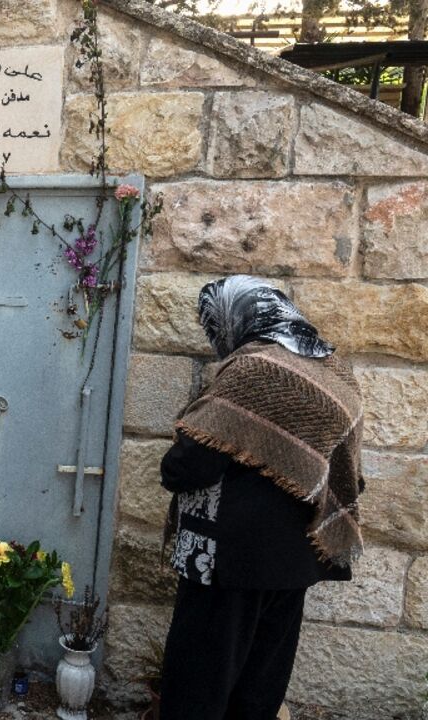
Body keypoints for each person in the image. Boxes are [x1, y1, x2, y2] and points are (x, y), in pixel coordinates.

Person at [158, 275, 364, 719]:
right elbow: (347, 475)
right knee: (258, 691)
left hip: (226, 562)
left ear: (238, 318)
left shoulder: (253, 369)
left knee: (197, 687)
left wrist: (172, 463)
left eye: (214, 324)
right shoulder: (335, 370)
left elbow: (190, 465)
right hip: (296, 562)